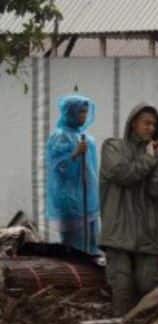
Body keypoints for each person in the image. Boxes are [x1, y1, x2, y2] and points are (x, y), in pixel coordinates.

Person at [99, 104, 158, 315]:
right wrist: (149, 159)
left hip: (147, 233)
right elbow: (123, 174)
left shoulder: (156, 152)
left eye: (154, 124)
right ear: (133, 123)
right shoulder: (113, 147)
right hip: (118, 231)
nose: (151, 128)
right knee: (121, 287)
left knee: (148, 286)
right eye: (146, 123)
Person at [46, 94, 100, 255]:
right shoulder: (59, 137)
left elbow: (91, 169)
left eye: (85, 112)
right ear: (69, 113)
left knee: (92, 244)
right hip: (70, 202)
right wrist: (74, 154)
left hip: (88, 199)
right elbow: (57, 168)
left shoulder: (87, 138)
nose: (83, 116)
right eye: (80, 112)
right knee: (75, 249)